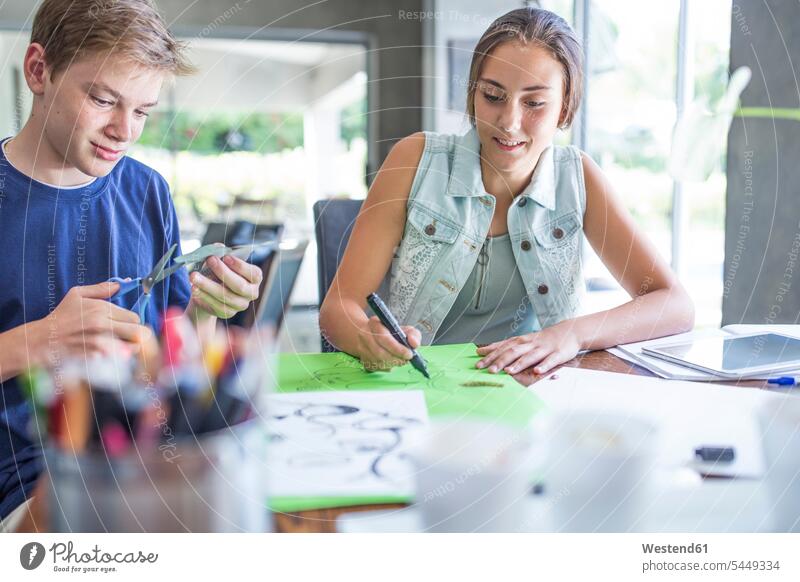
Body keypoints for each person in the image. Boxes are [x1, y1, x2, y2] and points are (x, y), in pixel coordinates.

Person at [319, 7, 694, 376]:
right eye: (493, 96)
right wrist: (364, 337)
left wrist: (571, 334)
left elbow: (674, 304)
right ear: (472, 95)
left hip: (537, 395)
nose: (510, 123)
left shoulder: (578, 178)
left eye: (534, 103)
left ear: (564, 109)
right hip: (421, 391)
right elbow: (338, 309)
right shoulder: (414, 158)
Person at [0, 0, 263, 520]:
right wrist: (39, 341)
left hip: (145, 463)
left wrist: (209, 310)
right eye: (102, 100)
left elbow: (173, 349)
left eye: (142, 111)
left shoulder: (147, 191)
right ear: (38, 70)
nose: (125, 130)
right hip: (24, 481)